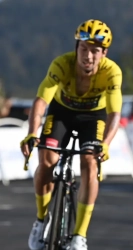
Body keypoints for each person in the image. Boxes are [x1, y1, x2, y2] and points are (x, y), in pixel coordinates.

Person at [20, 19, 122, 250]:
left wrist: (105, 144)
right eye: (84, 49)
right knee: (46, 161)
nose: (88, 56)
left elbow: (115, 112)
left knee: (90, 164)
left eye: (95, 51)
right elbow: (41, 101)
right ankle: (40, 220)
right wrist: (31, 133)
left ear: (104, 53)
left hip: (93, 117)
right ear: (76, 47)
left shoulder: (112, 72)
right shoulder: (62, 65)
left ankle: (79, 235)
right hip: (61, 113)